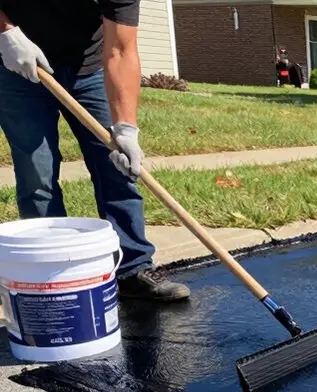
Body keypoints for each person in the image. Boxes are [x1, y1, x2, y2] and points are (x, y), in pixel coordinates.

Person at [0, 1, 190, 301]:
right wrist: (5, 32)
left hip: (88, 66)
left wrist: (125, 127)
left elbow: (122, 49)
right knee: (36, 174)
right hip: (15, 65)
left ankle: (132, 268)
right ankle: (52, 278)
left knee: (117, 164)